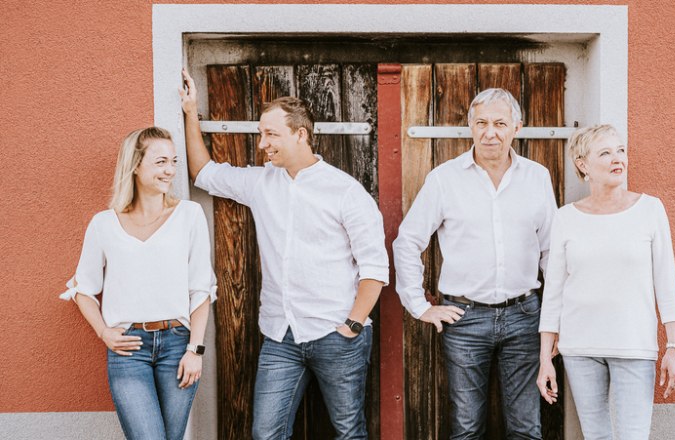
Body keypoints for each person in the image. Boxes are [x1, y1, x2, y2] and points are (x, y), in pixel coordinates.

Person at [179, 69, 388, 440]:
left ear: (300, 134)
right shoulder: (261, 183)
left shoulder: (345, 191)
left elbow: (375, 268)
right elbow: (203, 173)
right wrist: (190, 112)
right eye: (261, 134)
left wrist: (353, 325)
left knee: (348, 431)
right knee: (266, 433)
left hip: (336, 333)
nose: (262, 144)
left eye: (271, 134)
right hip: (281, 336)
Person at [394, 88, 557, 439]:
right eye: (481, 123)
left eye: (500, 123)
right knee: (466, 428)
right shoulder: (445, 179)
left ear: (517, 128)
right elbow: (407, 241)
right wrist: (419, 306)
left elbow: (552, 253)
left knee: (526, 428)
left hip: (525, 317)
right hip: (465, 319)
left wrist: (556, 320)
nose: (490, 133)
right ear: (470, 126)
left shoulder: (537, 177)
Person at [59, 126, 217, 440]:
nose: (170, 170)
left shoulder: (189, 215)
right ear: (135, 165)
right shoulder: (104, 224)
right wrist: (104, 332)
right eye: (160, 162)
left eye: (173, 161)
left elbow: (201, 289)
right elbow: (83, 289)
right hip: (128, 350)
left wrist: (195, 350)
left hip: (178, 346)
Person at [536, 124, 675, 440]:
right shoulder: (566, 218)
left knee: (633, 435)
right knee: (596, 436)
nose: (618, 158)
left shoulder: (650, 209)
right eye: (605, 153)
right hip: (580, 347)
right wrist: (544, 358)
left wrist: (673, 346)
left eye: (620, 150)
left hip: (634, 344)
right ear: (583, 164)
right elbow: (554, 291)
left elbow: (666, 280)